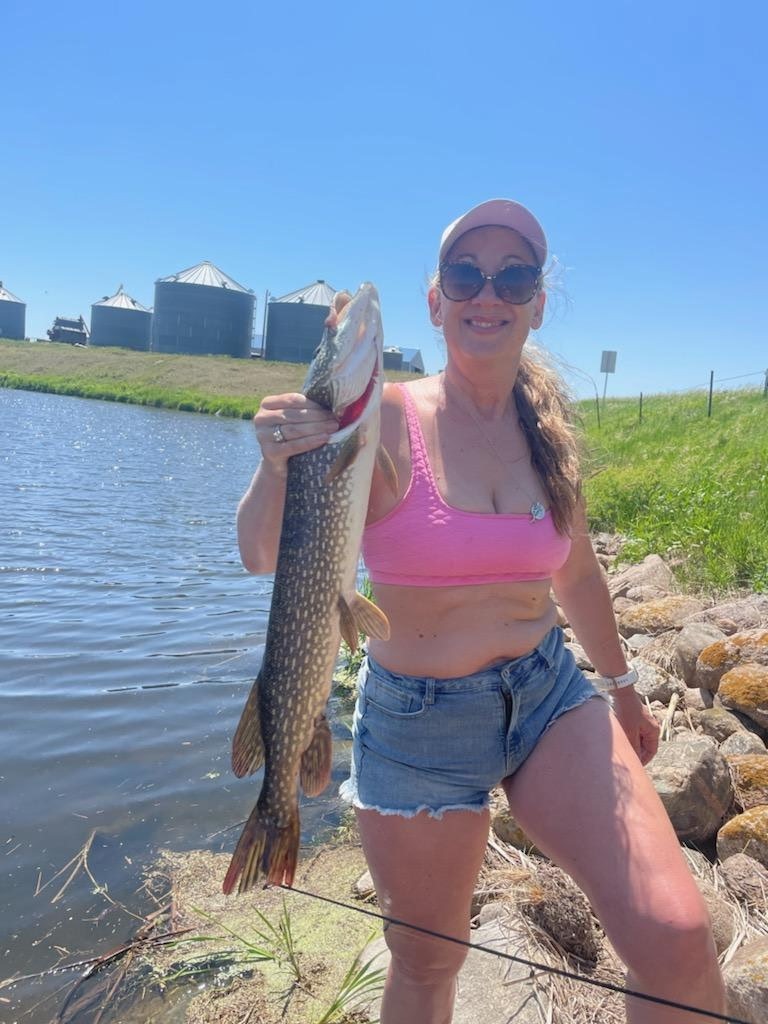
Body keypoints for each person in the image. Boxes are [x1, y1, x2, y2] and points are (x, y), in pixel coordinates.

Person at [235, 199, 726, 1024]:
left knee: (678, 938)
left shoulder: (549, 429)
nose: (487, 292)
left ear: (537, 303)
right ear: (437, 303)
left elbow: (577, 574)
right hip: (418, 726)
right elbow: (261, 555)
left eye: (513, 276)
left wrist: (624, 688)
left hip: (548, 698)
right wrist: (275, 464)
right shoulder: (379, 419)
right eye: (465, 275)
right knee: (429, 965)